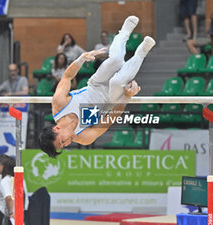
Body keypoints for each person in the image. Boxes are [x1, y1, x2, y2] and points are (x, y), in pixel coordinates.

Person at [38, 16, 155, 158]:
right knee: (117, 82)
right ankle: (141, 53)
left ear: (56, 128)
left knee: (116, 60)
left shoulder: (59, 105)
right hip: (110, 100)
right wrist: (126, 97)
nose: (68, 143)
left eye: (62, 141)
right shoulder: (83, 137)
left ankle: (124, 32)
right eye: (63, 146)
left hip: (95, 84)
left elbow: (67, 77)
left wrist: (81, 58)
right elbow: (109, 120)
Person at [0, 155, 29, 225]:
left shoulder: (5, 181)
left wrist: (11, 213)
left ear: (1, 166)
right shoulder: (20, 179)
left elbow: (9, 198)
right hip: (22, 213)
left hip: (9, 217)